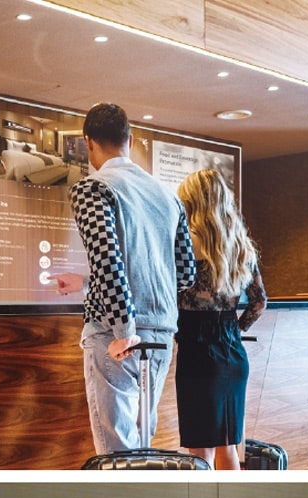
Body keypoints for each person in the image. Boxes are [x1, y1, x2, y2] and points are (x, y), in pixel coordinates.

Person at [53, 103, 197, 454]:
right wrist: (87, 284)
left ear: (88, 143)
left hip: (114, 336)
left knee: (117, 454)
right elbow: (185, 273)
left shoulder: (92, 188)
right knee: (143, 446)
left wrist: (124, 331)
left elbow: (106, 259)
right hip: (161, 333)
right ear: (130, 140)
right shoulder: (168, 196)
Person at [175, 168, 266, 469]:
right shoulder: (241, 246)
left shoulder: (187, 242)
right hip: (232, 352)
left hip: (197, 353)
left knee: (200, 453)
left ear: (191, 201)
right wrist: (235, 330)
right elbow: (259, 302)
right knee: (228, 448)